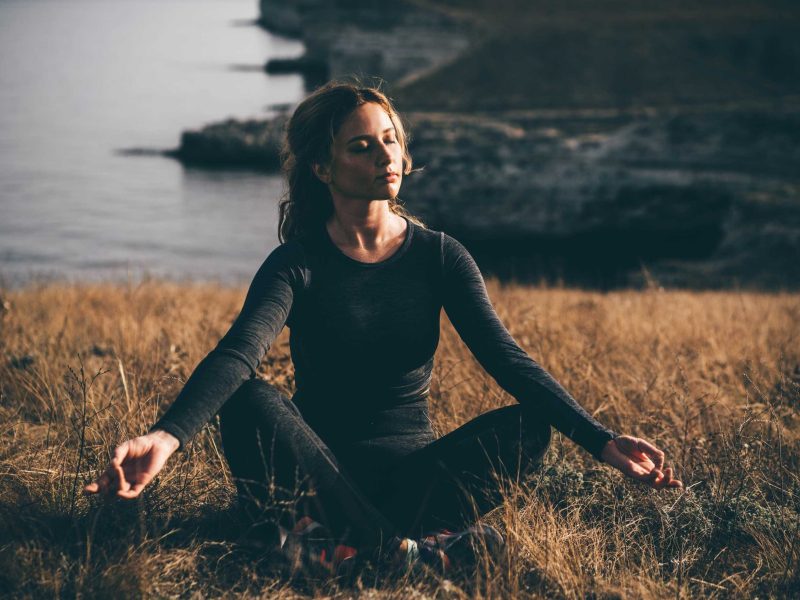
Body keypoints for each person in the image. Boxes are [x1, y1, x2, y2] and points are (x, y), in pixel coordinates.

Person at [85, 81, 682, 577]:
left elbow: (508, 360)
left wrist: (602, 440)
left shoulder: (440, 256)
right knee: (249, 397)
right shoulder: (297, 263)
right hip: (314, 471)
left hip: (414, 479)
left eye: (391, 142)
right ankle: (409, 551)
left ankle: (339, 547)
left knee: (531, 426)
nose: (385, 158)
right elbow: (239, 352)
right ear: (322, 166)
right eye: (363, 147)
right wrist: (165, 436)